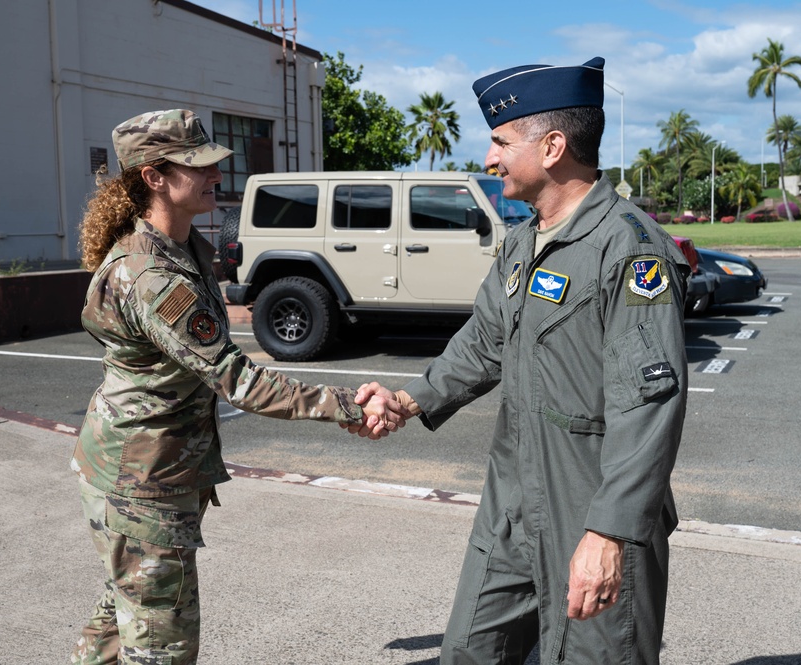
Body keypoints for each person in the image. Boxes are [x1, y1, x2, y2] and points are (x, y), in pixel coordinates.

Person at [350, 58, 690, 664]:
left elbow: (649, 405)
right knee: (470, 651)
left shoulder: (631, 250)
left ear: (553, 146)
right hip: (513, 500)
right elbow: (484, 342)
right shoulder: (521, 242)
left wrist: (610, 532)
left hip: (592, 505)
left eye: (502, 141)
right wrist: (409, 399)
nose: (489, 157)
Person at [69, 109, 404, 665]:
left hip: (154, 468)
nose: (215, 176)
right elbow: (238, 380)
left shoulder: (183, 249)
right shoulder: (152, 277)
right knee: (161, 643)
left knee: (126, 611)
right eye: (197, 166)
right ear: (153, 177)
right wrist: (346, 405)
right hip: (143, 480)